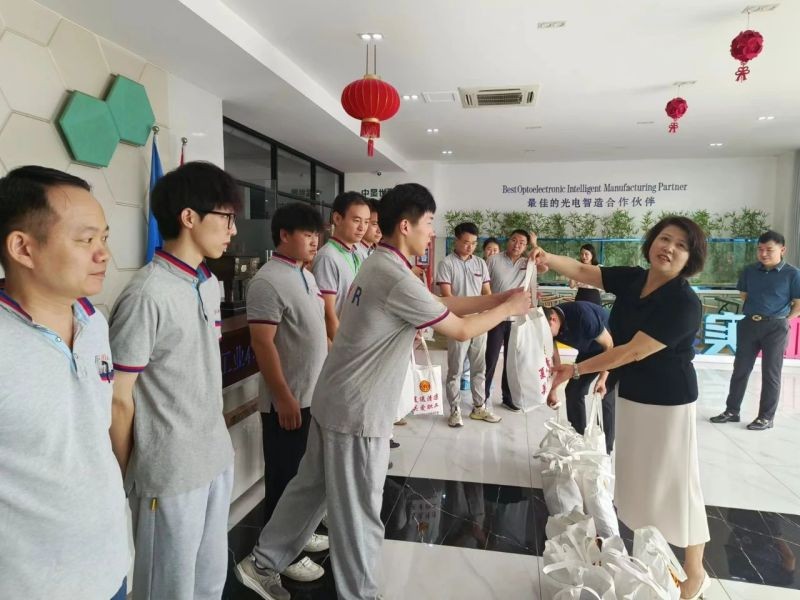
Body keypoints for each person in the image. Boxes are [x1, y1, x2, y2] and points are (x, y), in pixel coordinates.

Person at [234, 183, 530, 600]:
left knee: (308, 492)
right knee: (359, 514)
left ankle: (261, 563)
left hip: (335, 400)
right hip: (357, 411)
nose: (432, 232)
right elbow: (461, 329)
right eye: (429, 223)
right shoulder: (393, 275)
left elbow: (440, 306)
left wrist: (499, 298)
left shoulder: (381, 263)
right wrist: (507, 309)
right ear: (406, 225)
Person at [534, 216, 711, 600]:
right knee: (640, 481)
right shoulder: (635, 278)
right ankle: (654, 556)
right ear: (652, 242)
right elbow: (585, 272)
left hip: (669, 402)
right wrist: (545, 256)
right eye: (664, 238)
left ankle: (696, 572)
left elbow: (631, 351)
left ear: (690, 258)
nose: (669, 248)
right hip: (634, 394)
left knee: (678, 484)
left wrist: (576, 370)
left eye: (681, 246)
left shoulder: (684, 303)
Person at [109, 161, 240, 600]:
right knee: (168, 589)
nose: (233, 230)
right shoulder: (147, 294)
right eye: (226, 218)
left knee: (209, 582)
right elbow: (119, 399)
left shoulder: (207, 282)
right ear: (189, 217)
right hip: (168, 472)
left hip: (215, 456)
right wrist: (132, 472)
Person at [0, 166, 129, 599]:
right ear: (23, 247)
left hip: (109, 568)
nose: (103, 254)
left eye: (104, 238)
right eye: (85, 240)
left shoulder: (94, 323)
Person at [247, 203, 330, 583]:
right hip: (288, 401)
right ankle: (277, 557)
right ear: (284, 235)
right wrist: (283, 397)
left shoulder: (305, 275)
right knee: (283, 478)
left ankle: (297, 534)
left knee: (302, 477)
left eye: (317, 235)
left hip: (312, 396)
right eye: (307, 234)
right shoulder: (267, 281)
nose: (315, 242)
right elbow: (262, 343)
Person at [711, 230, 800, 430]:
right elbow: (744, 295)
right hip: (749, 324)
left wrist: (783, 320)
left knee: (771, 373)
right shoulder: (749, 271)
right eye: (760, 249)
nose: (763, 253)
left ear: (782, 250)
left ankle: (766, 417)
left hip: (775, 327)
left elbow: (798, 303)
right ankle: (732, 411)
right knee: (740, 370)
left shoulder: (792, 274)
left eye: (769, 249)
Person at [435, 221, 501, 427]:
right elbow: (447, 296)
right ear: (456, 240)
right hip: (457, 323)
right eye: (466, 242)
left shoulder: (480, 264)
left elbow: (487, 292)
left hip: (478, 324)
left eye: (474, 243)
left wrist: (486, 314)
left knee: (479, 367)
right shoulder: (446, 264)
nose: (470, 246)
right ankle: (454, 409)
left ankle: (479, 407)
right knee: (455, 369)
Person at [543, 303, 616, 453]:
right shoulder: (548, 326)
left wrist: (602, 379)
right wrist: (553, 390)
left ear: (553, 319)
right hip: (588, 351)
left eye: (547, 333)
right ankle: (578, 443)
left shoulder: (583, 317)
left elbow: (610, 346)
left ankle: (605, 451)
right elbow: (556, 362)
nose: (547, 337)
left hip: (612, 348)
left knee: (604, 394)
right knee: (574, 390)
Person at [485, 229, 532, 412]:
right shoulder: (493, 260)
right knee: (491, 357)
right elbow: (484, 285)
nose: (517, 245)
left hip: (517, 319)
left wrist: (536, 246)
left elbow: (544, 267)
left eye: (522, 243)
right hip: (496, 316)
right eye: (514, 240)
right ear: (508, 240)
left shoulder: (528, 263)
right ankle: (483, 396)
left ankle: (508, 397)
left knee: (512, 361)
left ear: (526, 246)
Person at [313, 191, 370, 341]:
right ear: (337, 218)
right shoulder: (328, 257)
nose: (362, 228)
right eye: (356, 220)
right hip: (340, 343)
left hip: (356, 338)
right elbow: (328, 314)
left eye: (366, 222)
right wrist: (341, 349)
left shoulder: (357, 253)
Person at [355, 198, 382, 263]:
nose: (379, 230)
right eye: (375, 224)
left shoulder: (376, 249)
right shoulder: (354, 251)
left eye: (382, 224)